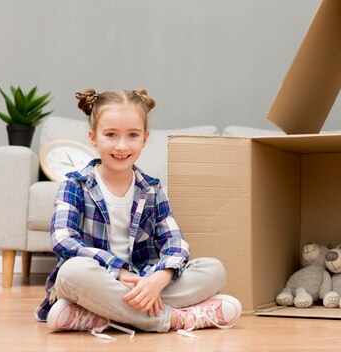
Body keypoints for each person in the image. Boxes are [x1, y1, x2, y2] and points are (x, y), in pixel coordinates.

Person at [34, 88, 241, 339]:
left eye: (132, 135)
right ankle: (174, 318)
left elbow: (175, 242)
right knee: (71, 273)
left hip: (144, 281)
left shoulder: (152, 189)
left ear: (145, 138)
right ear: (93, 137)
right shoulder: (74, 184)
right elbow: (62, 239)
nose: (122, 145)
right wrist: (119, 272)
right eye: (111, 135)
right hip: (99, 278)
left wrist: (159, 279)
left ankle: (98, 315)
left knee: (214, 270)